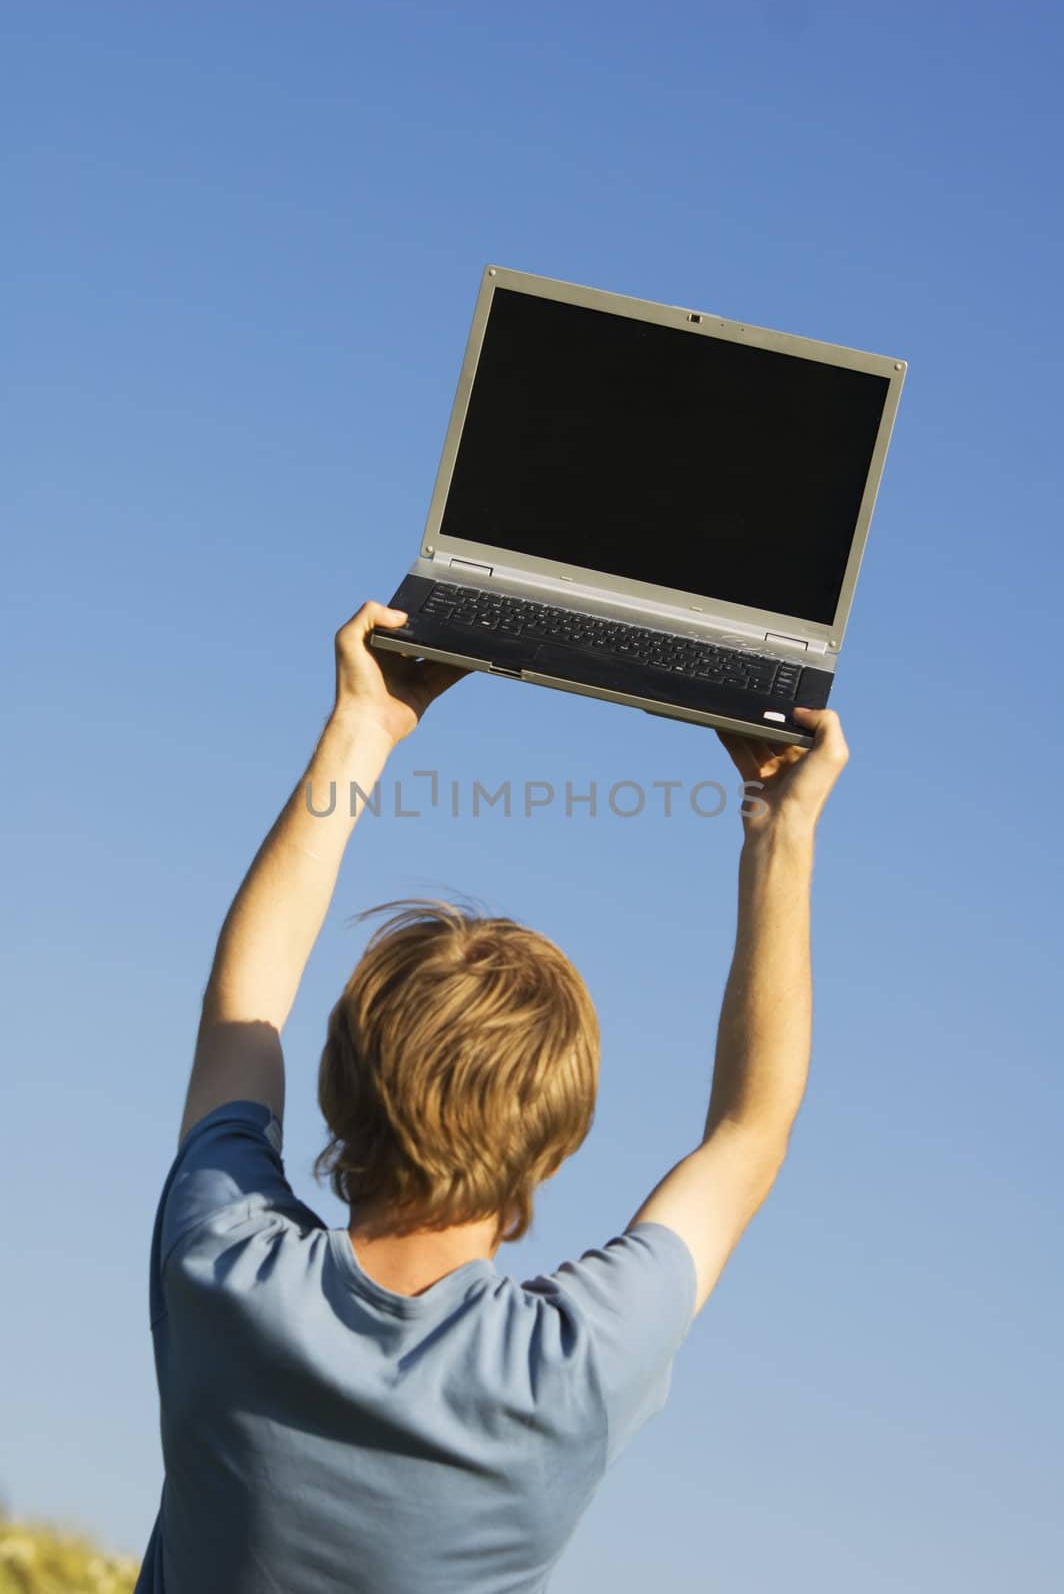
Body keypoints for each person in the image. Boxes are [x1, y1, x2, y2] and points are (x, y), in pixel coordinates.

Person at [134, 600, 849, 1593]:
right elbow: (749, 1132)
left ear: (336, 1086)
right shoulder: (570, 1373)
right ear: (555, 1144)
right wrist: (780, 825)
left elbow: (245, 1000)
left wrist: (363, 725)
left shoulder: (220, 1263)